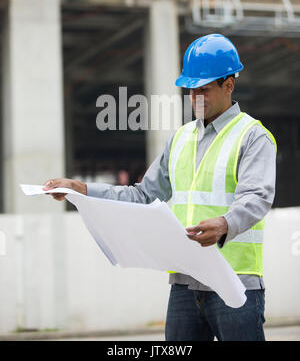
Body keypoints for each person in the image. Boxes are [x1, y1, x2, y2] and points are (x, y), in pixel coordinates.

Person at [44, 34, 277, 342]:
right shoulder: (180, 139)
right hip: (184, 284)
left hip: (235, 284)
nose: (195, 97)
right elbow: (141, 195)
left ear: (228, 85)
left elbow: (257, 197)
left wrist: (224, 225)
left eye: (204, 89)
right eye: (190, 90)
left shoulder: (252, 136)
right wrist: (82, 189)